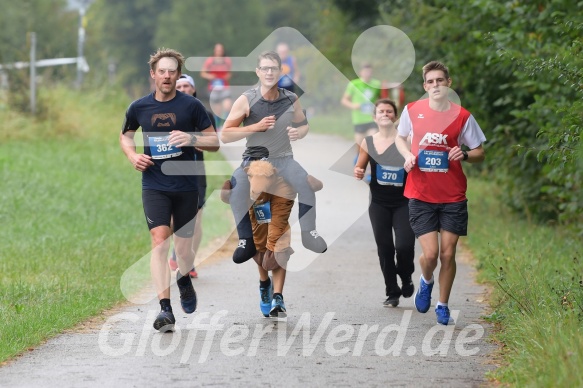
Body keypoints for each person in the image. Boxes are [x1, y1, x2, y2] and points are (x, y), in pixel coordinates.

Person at [119, 48, 219, 332]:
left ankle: (184, 277)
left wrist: (191, 137)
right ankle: (165, 309)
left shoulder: (191, 107)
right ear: (153, 74)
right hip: (154, 184)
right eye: (161, 71)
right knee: (159, 240)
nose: (166, 76)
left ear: (177, 74)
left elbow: (214, 142)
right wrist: (132, 155)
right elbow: (125, 136)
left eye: (171, 71)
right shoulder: (139, 107)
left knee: (183, 251)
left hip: (186, 185)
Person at [221, 50, 327, 284]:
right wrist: (254, 127)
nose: (269, 72)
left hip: (284, 159)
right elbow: (226, 135)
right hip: (254, 160)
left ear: (281, 71)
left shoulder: (290, 98)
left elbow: (304, 125)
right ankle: (245, 240)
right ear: (258, 71)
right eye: (265, 68)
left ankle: (310, 232)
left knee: (305, 183)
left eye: (274, 68)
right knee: (237, 190)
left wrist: (298, 132)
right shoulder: (246, 99)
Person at [395, 61, 486, 325]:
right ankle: (426, 281)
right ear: (425, 86)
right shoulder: (412, 111)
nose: (435, 85)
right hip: (420, 193)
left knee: (448, 254)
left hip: (453, 195)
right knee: (432, 255)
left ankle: (443, 305)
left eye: (440, 80)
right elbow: (400, 138)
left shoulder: (463, 116)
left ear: (448, 83)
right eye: (430, 81)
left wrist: (466, 154)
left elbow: (480, 152)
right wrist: (407, 155)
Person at [354, 99, 415, 308]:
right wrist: (358, 171)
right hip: (379, 203)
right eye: (381, 111)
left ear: (396, 117)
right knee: (385, 248)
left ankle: (406, 275)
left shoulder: (406, 141)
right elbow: (360, 167)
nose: (385, 114)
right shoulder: (368, 142)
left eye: (389, 111)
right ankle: (392, 291)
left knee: (404, 246)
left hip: (403, 202)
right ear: (374, 116)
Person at [167, 74, 218, 278]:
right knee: (172, 221)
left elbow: (213, 142)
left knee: (196, 221)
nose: (183, 88)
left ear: (193, 90)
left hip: (196, 174)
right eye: (179, 85)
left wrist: (195, 140)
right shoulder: (164, 112)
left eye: (187, 85)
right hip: (170, 174)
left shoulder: (203, 114)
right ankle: (177, 251)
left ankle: (189, 261)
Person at [341, 63, 382, 158]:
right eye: (366, 71)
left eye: (370, 72)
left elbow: (381, 99)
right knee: (360, 147)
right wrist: (353, 105)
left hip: (372, 119)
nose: (368, 74)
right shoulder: (354, 84)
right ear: (361, 72)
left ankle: (370, 168)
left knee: (371, 143)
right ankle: (358, 163)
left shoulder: (376, 84)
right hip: (359, 120)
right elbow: (344, 100)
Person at [200, 43, 232, 129]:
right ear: (214, 51)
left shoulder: (227, 60)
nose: (219, 51)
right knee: (217, 111)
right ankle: (217, 127)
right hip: (213, 87)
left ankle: (226, 125)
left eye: (221, 50)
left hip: (224, 86)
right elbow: (203, 73)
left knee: (227, 106)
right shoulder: (210, 60)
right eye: (217, 50)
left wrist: (227, 76)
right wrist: (210, 77)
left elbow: (229, 73)